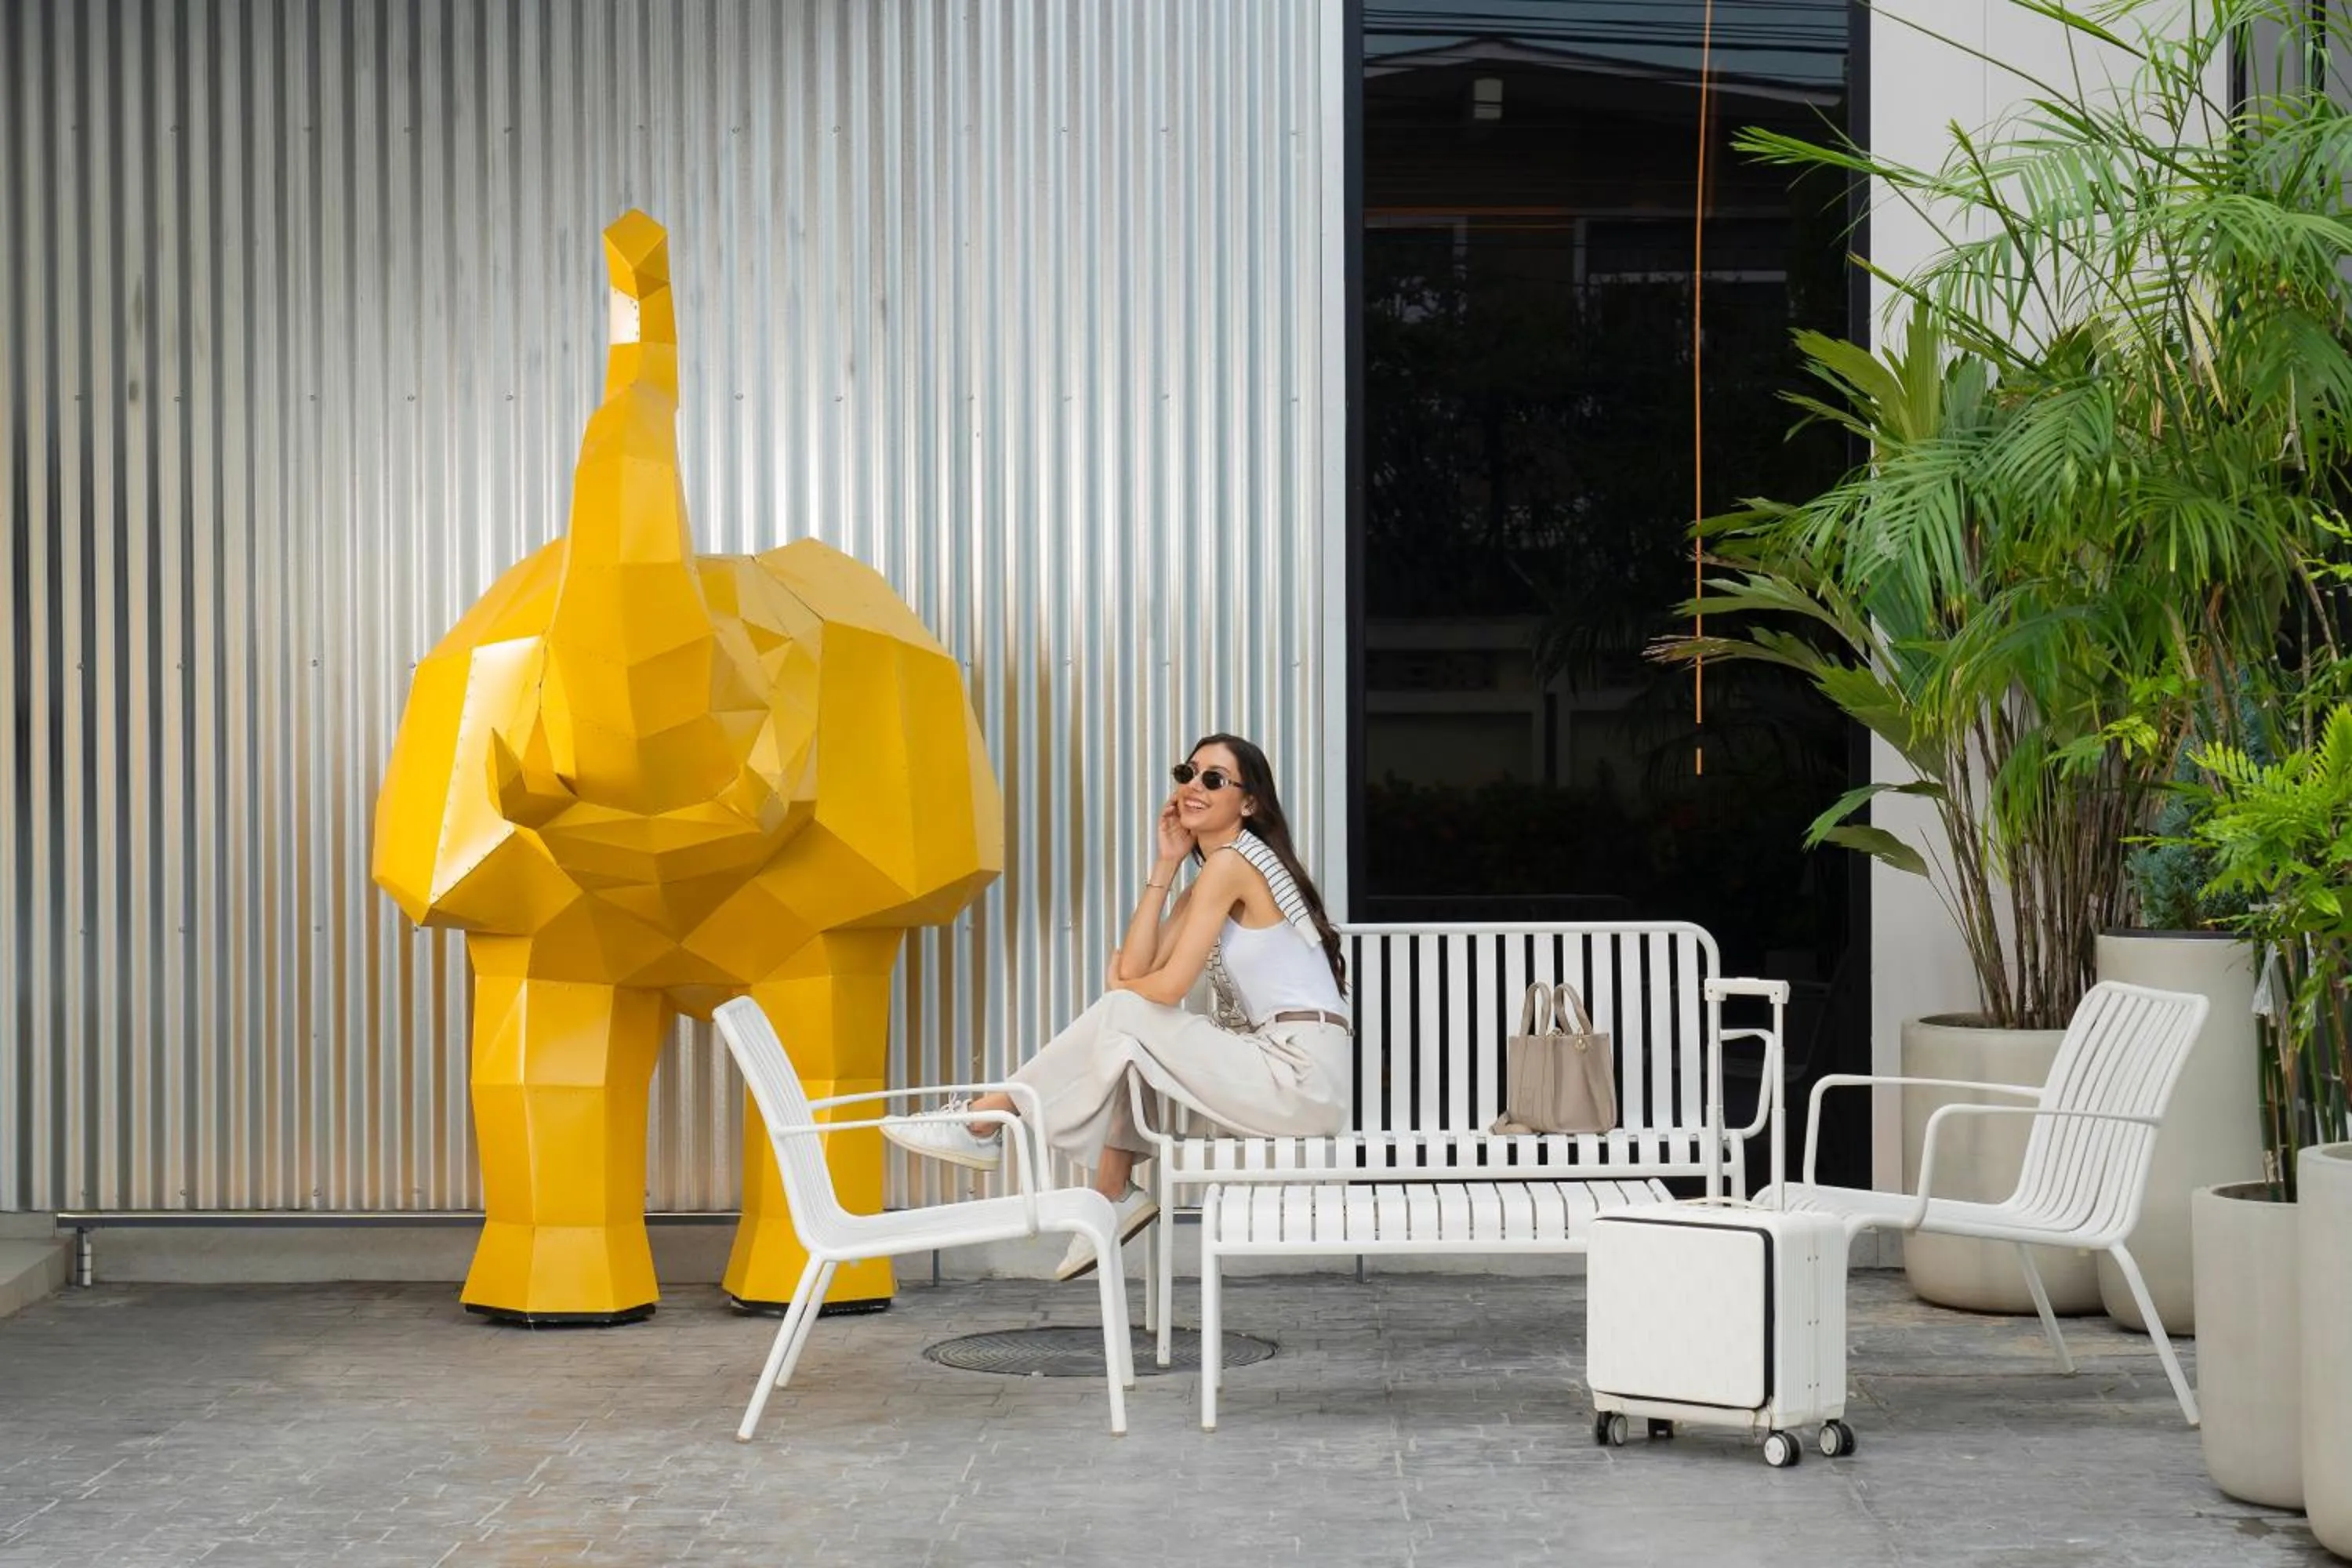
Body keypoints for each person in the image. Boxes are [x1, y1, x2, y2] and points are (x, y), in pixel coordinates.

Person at [882, 733, 1352, 1279]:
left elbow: (1161, 987)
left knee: (1130, 1017)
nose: (1193, 787)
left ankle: (986, 1119)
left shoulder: (1234, 863)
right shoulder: (1213, 875)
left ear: (1248, 803)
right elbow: (1134, 972)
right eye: (1188, 773)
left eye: (1214, 779)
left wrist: (1127, 993)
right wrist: (1167, 862)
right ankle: (1111, 1194)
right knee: (1131, 1029)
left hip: (1299, 1077)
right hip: (1280, 1067)